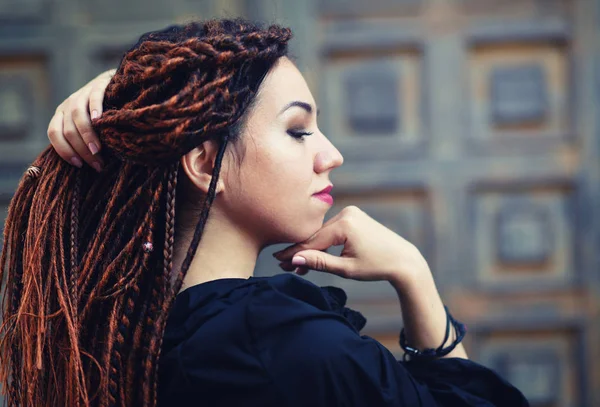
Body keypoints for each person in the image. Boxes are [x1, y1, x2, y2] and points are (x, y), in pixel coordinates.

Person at [0, 18, 529, 407]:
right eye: (298, 131)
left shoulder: (113, 337)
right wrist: (414, 276)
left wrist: (130, 101)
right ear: (206, 164)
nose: (332, 154)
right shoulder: (281, 344)